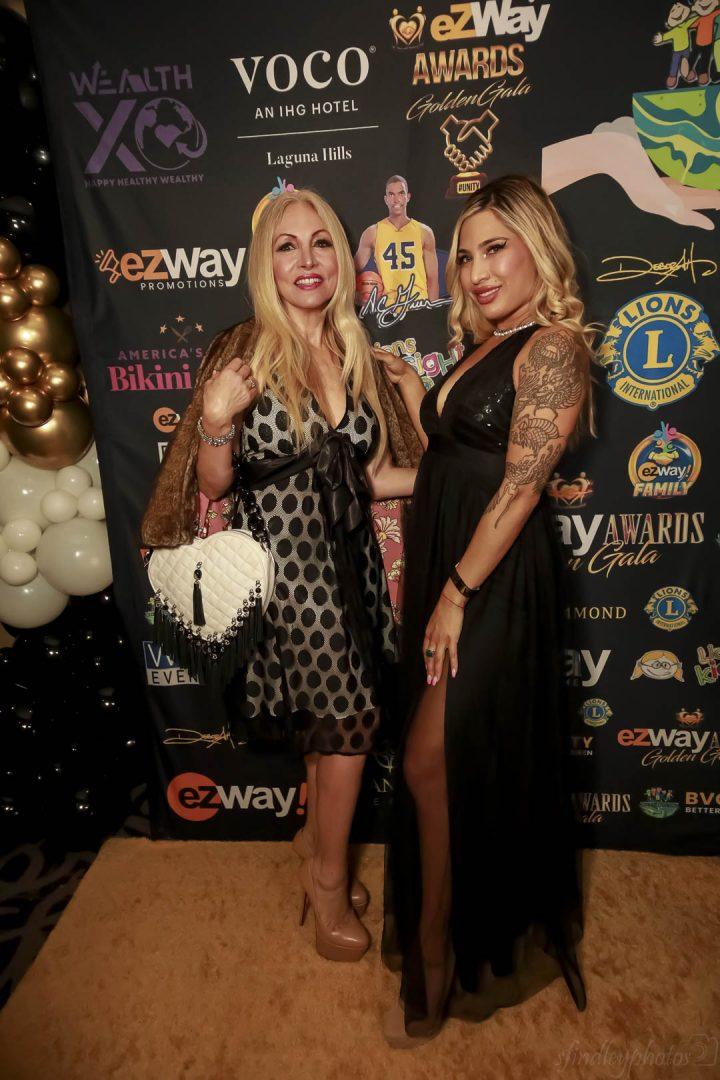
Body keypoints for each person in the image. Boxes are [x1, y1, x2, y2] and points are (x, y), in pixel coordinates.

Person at [140, 188, 422, 963]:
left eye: (321, 242)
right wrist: (216, 420)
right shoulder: (244, 349)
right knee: (351, 728)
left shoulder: (353, 350)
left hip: (350, 566)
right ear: (264, 264)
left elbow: (368, 477)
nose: (307, 260)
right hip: (287, 577)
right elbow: (215, 482)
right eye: (286, 246)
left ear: (341, 259)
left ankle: (312, 840)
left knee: (327, 726)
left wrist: (445, 458)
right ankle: (327, 881)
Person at [376, 174, 596, 1047]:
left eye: (495, 249)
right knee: (444, 761)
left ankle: (442, 942)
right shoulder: (486, 344)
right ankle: (449, 926)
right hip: (456, 556)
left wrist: (455, 594)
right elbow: (455, 455)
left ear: (539, 248)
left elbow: (520, 485)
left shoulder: (553, 348)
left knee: (432, 759)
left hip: (491, 577)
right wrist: (410, 393)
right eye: (465, 257)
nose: (476, 272)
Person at [354, 175, 440, 305]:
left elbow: (433, 279)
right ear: (386, 199)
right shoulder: (372, 233)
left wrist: (432, 311)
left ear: (408, 197)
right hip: (388, 308)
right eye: (391, 194)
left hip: (418, 304)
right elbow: (350, 271)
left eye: (401, 193)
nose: (396, 199)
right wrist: (357, 296)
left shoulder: (424, 232)